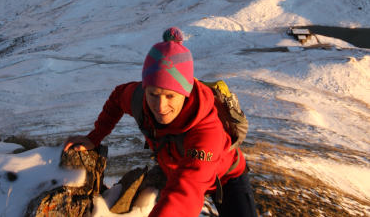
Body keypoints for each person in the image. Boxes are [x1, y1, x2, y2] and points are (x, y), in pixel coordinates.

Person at [64, 27, 258, 217]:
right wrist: (94, 138)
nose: (160, 106)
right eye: (153, 94)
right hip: (176, 169)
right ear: (145, 88)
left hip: (226, 177)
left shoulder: (207, 131)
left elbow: (185, 194)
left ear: (186, 92)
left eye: (170, 96)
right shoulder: (138, 99)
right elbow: (117, 98)